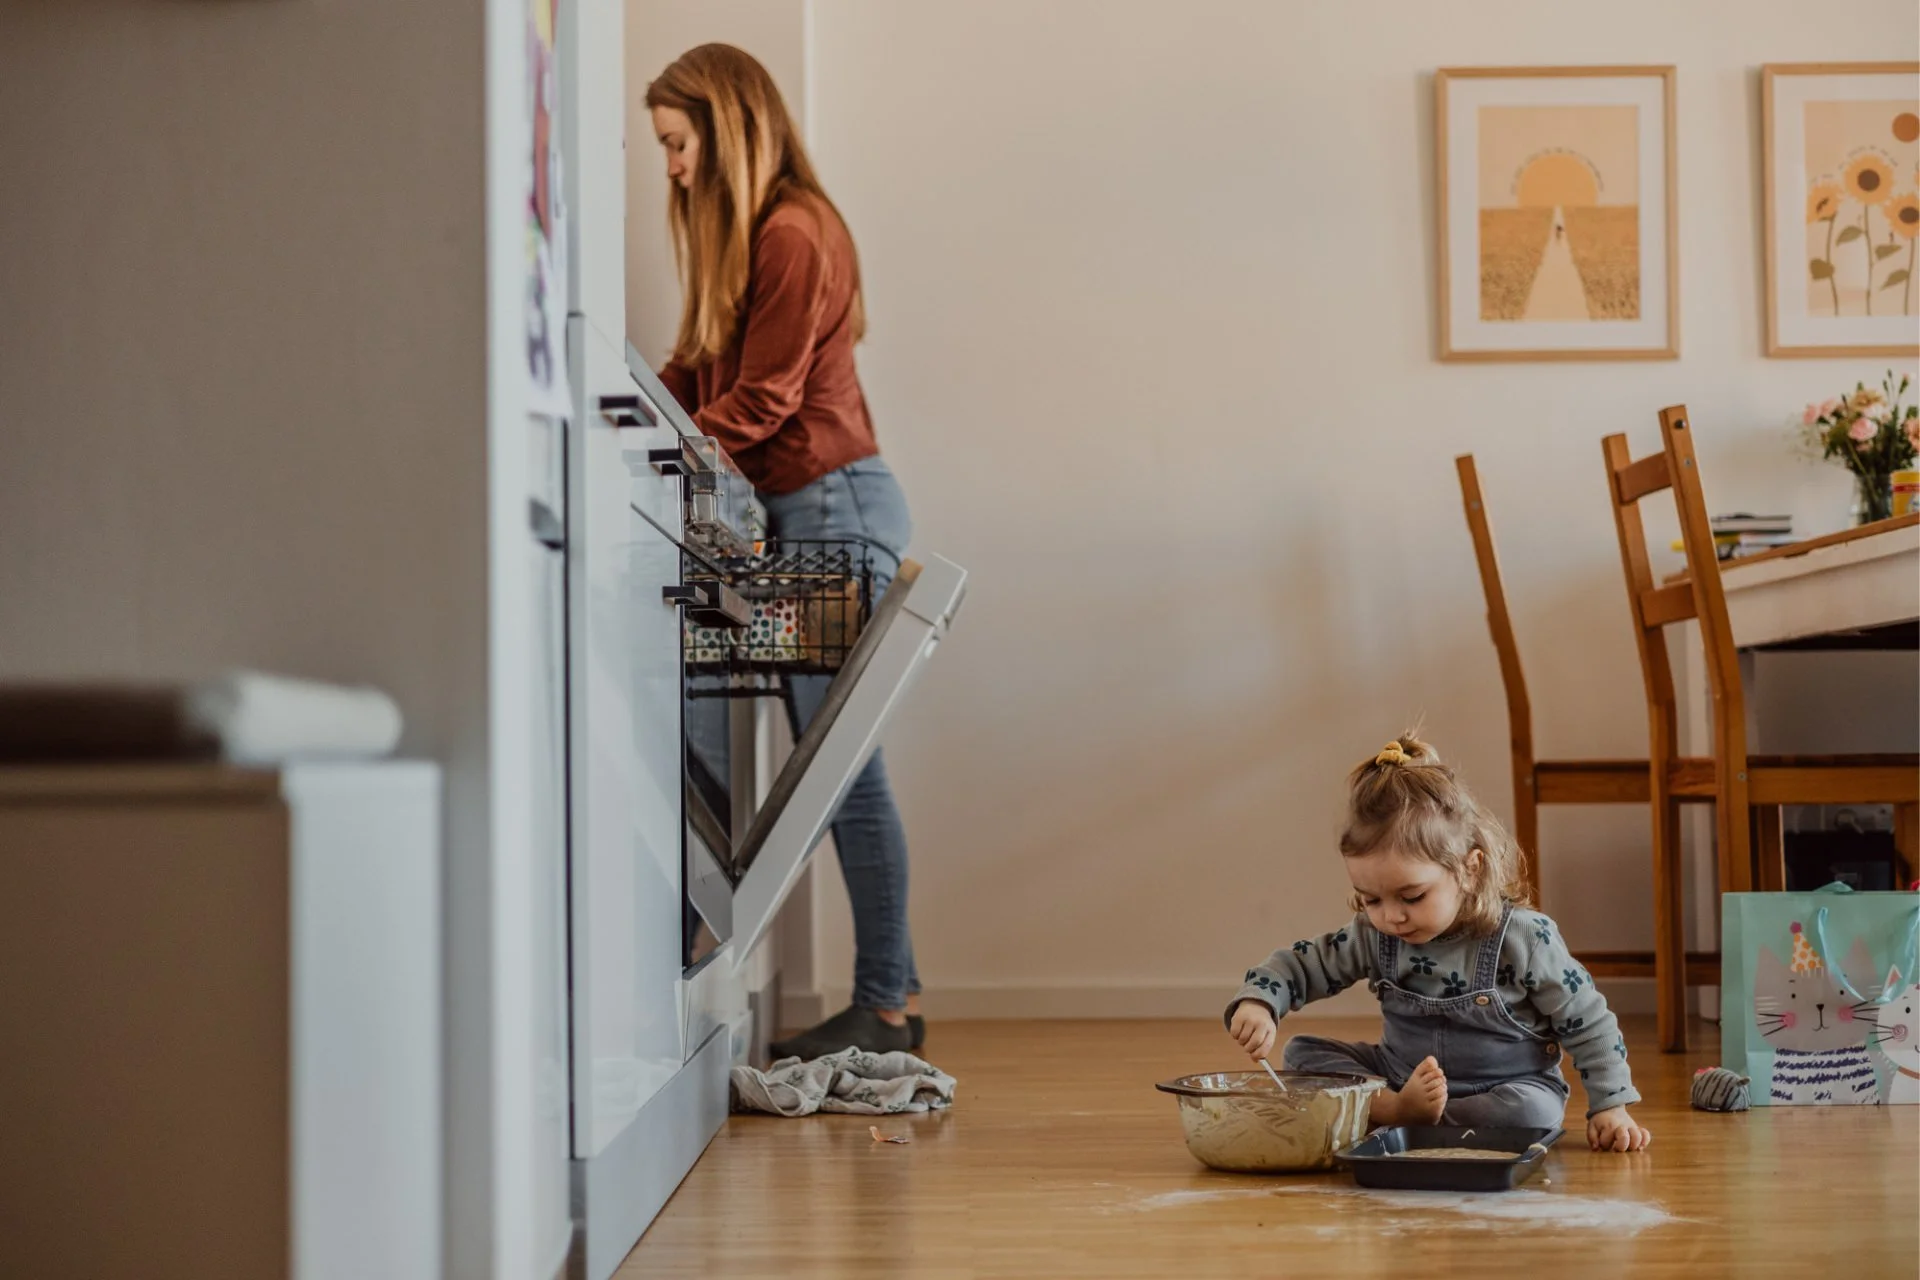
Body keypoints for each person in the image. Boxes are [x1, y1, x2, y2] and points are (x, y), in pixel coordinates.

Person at [646, 44, 923, 1060]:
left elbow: (761, 403)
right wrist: (638, 414)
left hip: (831, 508)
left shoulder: (796, 232)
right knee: (799, 758)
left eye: (678, 144)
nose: (671, 167)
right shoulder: (751, 240)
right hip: (800, 509)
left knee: (839, 769)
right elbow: (702, 367)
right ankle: (858, 988)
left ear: (726, 129)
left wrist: (652, 457)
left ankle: (887, 1003)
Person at [1226, 732, 1652, 1152]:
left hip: (1505, 1088)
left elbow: (1588, 1021)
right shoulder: (1374, 935)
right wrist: (1261, 1002)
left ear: (1469, 869)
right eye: (1370, 899)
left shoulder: (1525, 937)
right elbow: (1301, 965)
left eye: (1412, 896)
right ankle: (1394, 1110)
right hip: (1398, 1078)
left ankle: (1403, 1121)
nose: (1390, 916)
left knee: (1534, 1113)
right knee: (1303, 1054)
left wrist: (1610, 1105)